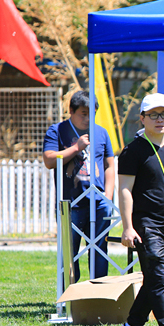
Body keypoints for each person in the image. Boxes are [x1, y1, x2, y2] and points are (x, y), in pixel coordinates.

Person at [113, 93, 164, 326]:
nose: (160, 119)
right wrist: (128, 227)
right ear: (142, 118)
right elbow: (124, 190)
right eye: (153, 115)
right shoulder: (133, 151)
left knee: (157, 278)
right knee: (158, 277)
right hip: (146, 224)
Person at [43, 90, 114, 281]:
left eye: (92, 113)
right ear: (71, 111)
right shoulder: (57, 130)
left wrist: (108, 195)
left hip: (98, 202)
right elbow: (49, 160)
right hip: (71, 202)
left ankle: (99, 291)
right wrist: (76, 148)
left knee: (100, 248)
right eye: (84, 113)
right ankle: (72, 296)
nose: (88, 118)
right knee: (70, 251)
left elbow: (110, 165)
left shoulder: (102, 132)